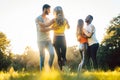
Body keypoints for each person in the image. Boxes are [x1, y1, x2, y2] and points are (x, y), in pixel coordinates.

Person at [35, 4, 55, 71]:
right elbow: (41, 29)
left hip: (48, 40)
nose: (50, 11)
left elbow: (48, 26)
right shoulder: (38, 18)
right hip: (40, 41)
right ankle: (42, 73)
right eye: (49, 9)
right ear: (45, 9)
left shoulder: (48, 19)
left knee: (52, 54)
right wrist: (51, 28)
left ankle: (49, 69)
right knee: (42, 57)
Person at [52, 6, 70, 70]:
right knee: (63, 56)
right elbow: (68, 27)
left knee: (59, 56)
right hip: (62, 38)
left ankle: (61, 69)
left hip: (55, 38)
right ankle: (64, 69)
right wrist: (66, 24)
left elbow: (50, 27)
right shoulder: (65, 19)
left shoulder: (54, 20)